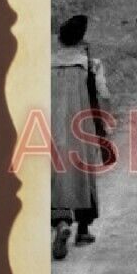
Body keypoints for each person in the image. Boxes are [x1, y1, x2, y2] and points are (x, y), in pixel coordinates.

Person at [51, 13, 113, 260]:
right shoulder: (91, 64)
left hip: (51, 126)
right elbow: (103, 94)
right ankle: (83, 230)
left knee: (56, 176)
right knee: (84, 176)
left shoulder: (47, 62)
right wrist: (105, 127)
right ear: (81, 40)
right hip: (82, 126)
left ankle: (61, 223)